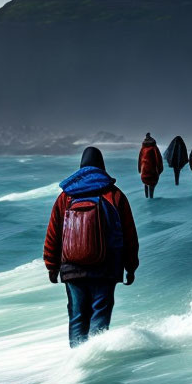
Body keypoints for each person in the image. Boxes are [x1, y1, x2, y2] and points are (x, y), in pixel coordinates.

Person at [43, 146, 139, 347]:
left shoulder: (65, 196)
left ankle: (78, 364)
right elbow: (129, 234)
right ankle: (95, 364)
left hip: (71, 266)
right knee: (100, 314)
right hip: (106, 267)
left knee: (77, 316)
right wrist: (130, 267)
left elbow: (53, 232)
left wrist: (51, 265)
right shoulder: (114, 195)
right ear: (102, 166)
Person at [138, 132, 164, 198]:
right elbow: (158, 159)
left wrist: (139, 169)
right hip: (152, 171)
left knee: (146, 183)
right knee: (152, 185)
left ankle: (146, 198)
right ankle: (151, 199)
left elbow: (140, 159)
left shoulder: (143, 148)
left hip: (144, 170)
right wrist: (160, 169)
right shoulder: (154, 148)